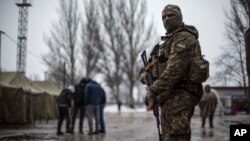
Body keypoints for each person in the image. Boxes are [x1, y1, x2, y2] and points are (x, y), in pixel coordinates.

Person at [143, 4, 203, 141]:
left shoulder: (184, 38)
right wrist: (146, 76)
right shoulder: (164, 45)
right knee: (167, 136)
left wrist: (153, 91)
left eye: (170, 15)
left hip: (180, 98)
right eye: (164, 17)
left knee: (176, 137)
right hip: (168, 101)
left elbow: (174, 71)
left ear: (179, 17)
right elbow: (150, 68)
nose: (166, 19)